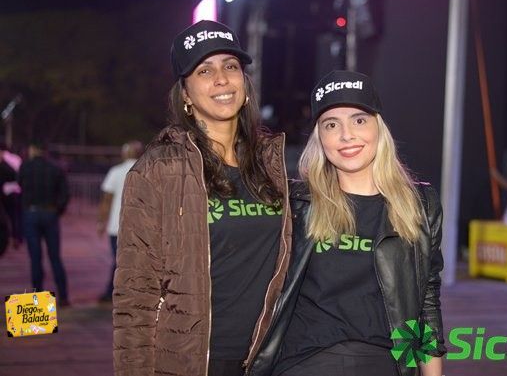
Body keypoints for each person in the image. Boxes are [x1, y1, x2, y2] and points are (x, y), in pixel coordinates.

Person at [113, 20, 291, 376]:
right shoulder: (159, 170)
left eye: (231, 66)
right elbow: (135, 294)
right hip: (194, 361)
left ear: (244, 82)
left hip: (270, 357)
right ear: (185, 94)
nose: (221, 79)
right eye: (204, 70)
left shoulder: (273, 164)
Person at [249, 71, 446, 376]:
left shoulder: (420, 204)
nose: (346, 135)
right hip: (306, 363)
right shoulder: (295, 204)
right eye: (331, 125)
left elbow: (426, 304)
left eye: (359, 120)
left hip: (386, 363)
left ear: (379, 128)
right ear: (320, 138)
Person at [18, 142, 70, 306]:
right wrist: (57, 210)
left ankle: (37, 300)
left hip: (31, 213)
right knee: (55, 257)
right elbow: (65, 194)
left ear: (33, 150)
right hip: (50, 213)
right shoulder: (55, 168)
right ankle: (63, 297)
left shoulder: (25, 167)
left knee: (35, 258)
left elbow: (20, 186)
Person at [96, 141, 143, 302]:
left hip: (117, 226)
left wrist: (101, 222)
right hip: (139, 227)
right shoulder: (147, 172)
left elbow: (106, 200)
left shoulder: (115, 172)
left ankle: (113, 291)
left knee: (118, 261)